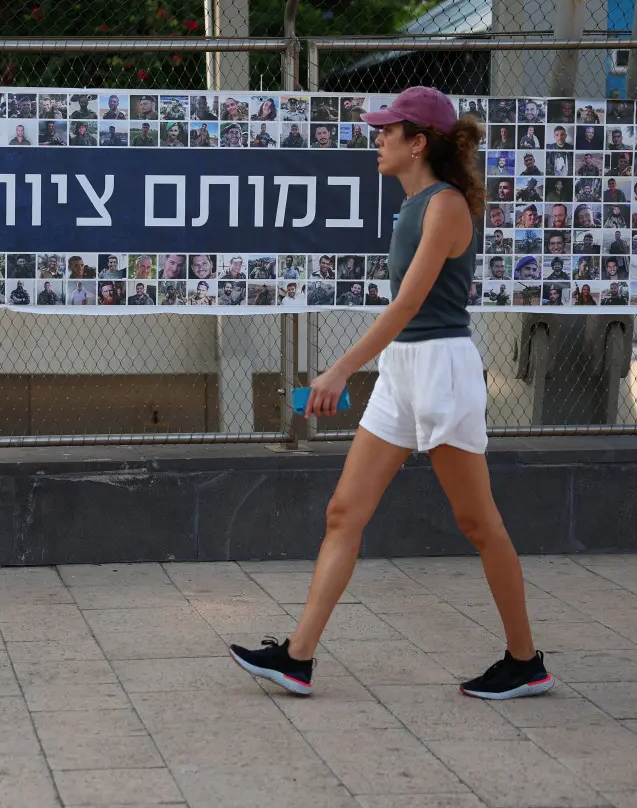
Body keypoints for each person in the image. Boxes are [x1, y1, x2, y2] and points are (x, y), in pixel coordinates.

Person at [229, 87, 553, 701]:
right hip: (402, 373)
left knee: (478, 523)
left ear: (418, 142)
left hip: (441, 371)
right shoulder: (415, 206)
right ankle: (298, 658)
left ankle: (525, 661)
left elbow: (408, 305)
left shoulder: (446, 207)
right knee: (344, 513)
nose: (378, 139)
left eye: (387, 131)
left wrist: (338, 370)